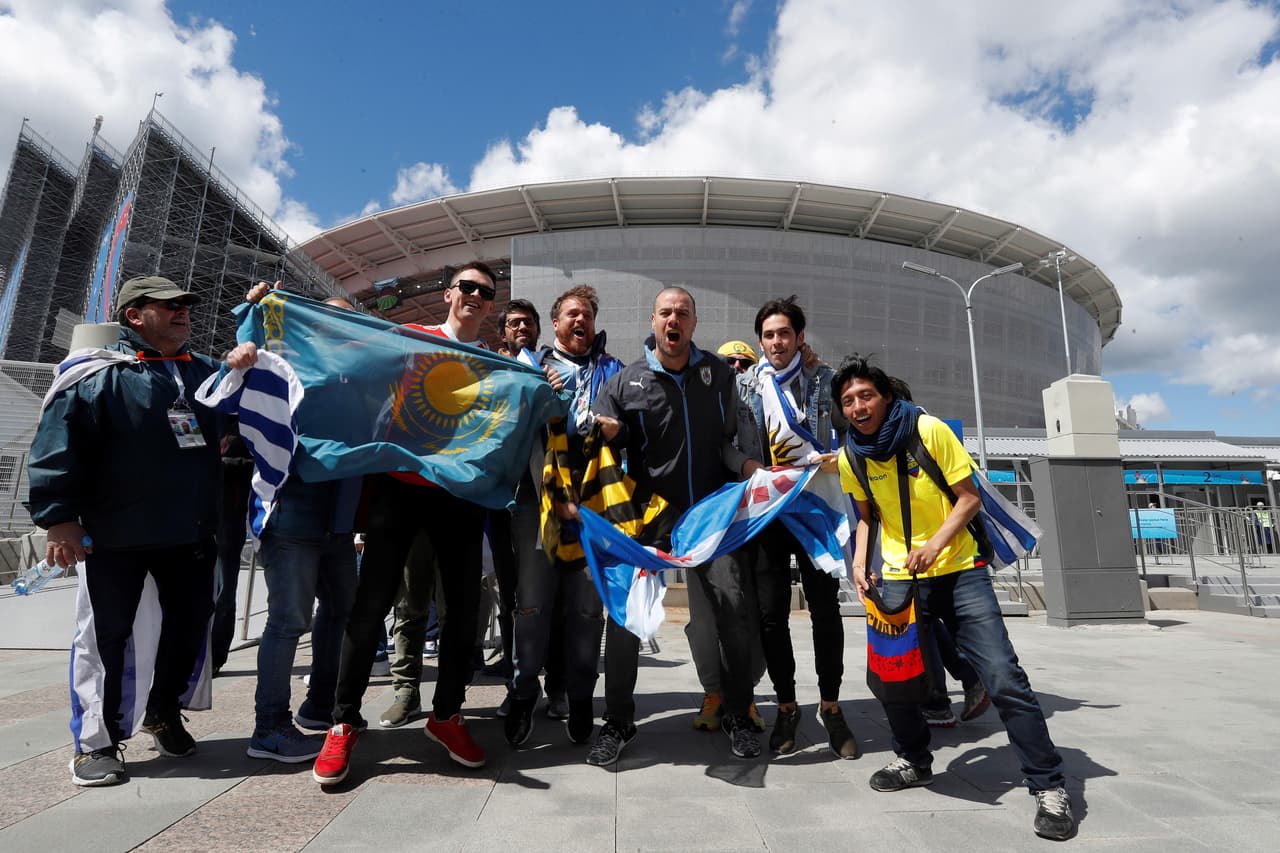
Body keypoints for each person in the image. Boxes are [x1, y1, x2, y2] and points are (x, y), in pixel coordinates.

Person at [832, 354, 1075, 842]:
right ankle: (913, 761)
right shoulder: (850, 454)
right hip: (899, 575)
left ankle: (1049, 787)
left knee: (1005, 677)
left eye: (866, 396)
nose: (858, 407)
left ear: (886, 397)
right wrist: (859, 565)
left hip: (959, 571)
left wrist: (936, 544)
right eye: (848, 401)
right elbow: (866, 517)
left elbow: (969, 498)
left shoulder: (929, 430)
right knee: (896, 680)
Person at [27, 274, 255, 787]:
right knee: (106, 639)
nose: (183, 312)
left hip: (191, 534)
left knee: (190, 627)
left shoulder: (202, 372)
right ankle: (96, 743)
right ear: (135, 315)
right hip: (115, 537)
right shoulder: (94, 376)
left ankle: (163, 710)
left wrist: (240, 369)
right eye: (169, 306)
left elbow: (236, 419)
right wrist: (59, 518)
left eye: (186, 306)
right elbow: (58, 446)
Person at [313, 261, 499, 785]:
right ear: (447, 295)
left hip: (458, 496)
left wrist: (544, 383)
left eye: (485, 292)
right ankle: (343, 721)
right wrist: (283, 311)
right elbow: (341, 345)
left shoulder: (490, 363)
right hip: (398, 489)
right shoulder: (409, 338)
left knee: (463, 613)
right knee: (371, 608)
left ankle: (446, 716)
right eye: (467, 287)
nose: (475, 296)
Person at [586, 287, 761, 763]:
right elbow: (604, 446)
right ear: (653, 320)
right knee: (626, 615)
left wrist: (748, 468)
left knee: (732, 606)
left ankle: (739, 714)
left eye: (682, 313)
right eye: (666, 312)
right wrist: (604, 433)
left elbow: (728, 442)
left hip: (709, 515)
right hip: (646, 519)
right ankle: (619, 721)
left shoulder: (720, 375)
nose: (673, 320)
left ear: (694, 323)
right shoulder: (626, 382)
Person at [235, 286, 362, 764]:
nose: (340, 332)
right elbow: (245, 363)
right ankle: (268, 728)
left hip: (338, 523)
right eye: (330, 323)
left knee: (341, 612)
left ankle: (319, 706)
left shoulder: (355, 377)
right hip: (291, 515)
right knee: (288, 622)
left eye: (349, 325)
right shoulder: (283, 368)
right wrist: (254, 313)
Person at [733, 296, 858, 759]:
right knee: (771, 614)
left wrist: (841, 458)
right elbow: (727, 441)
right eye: (769, 334)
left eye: (785, 333)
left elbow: (856, 433)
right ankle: (787, 707)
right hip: (768, 510)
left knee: (825, 609)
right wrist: (744, 462)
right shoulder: (744, 386)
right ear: (760, 340)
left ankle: (831, 705)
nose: (777, 341)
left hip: (817, 507)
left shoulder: (826, 382)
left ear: (800, 337)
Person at [505, 285, 621, 748]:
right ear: (554, 324)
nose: (581, 321)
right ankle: (521, 694)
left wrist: (617, 426)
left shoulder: (613, 373)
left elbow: (630, 427)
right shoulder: (528, 367)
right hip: (538, 505)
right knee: (532, 606)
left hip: (595, 510)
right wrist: (535, 398)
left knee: (588, 610)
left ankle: (579, 696)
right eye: (572, 314)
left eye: (588, 315)